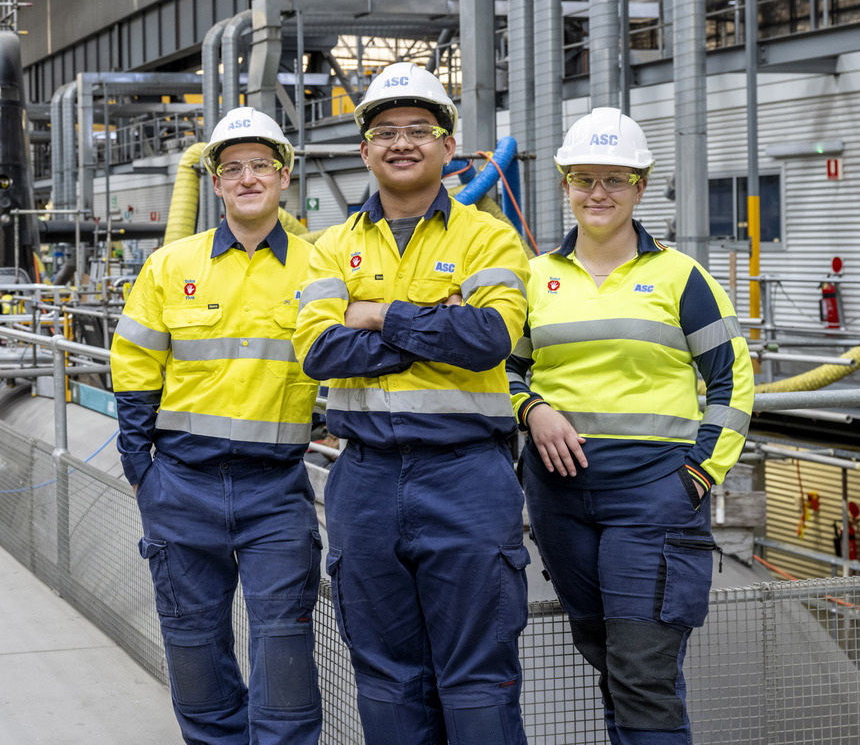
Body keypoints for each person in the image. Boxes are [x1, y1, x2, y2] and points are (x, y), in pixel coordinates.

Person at [293, 62, 532, 745]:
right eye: (386, 132)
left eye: (420, 130)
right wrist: (432, 323)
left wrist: (375, 313)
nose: (403, 143)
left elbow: (488, 339)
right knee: (387, 682)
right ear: (365, 150)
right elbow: (319, 353)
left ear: (448, 147)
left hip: (466, 477)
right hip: (364, 479)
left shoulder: (487, 238)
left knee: (479, 682)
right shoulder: (330, 248)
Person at [506, 107, 753, 744]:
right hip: (561, 499)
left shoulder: (680, 277)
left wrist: (700, 473)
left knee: (643, 672)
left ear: (640, 186)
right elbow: (502, 374)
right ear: (564, 184)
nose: (598, 193)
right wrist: (533, 409)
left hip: (655, 497)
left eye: (615, 180)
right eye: (584, 179)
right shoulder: (536, 278)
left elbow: (732, 380)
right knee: (607, 660)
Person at [111, 106, 323, 745]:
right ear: (215, 182)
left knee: (284, 654)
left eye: (261, 165)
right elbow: (134, 367)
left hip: (276, 492)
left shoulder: (320, 267)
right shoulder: (172, 266)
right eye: (233, 168)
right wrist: (142, 472)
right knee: (195, 651)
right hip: (181, 486)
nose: (248, 178)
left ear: (284, 175)